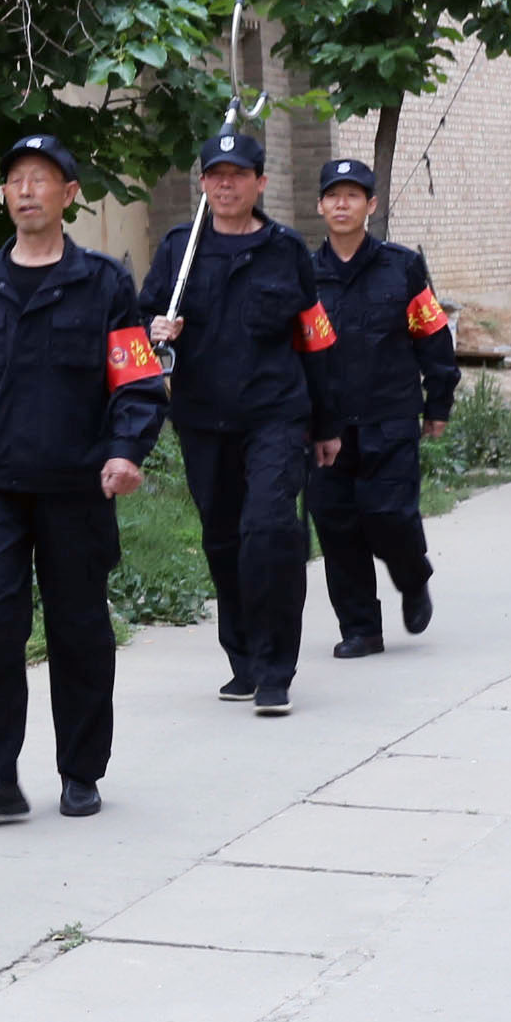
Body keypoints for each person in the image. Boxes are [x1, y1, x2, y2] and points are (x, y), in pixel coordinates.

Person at [0, 134, 168, 823]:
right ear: (5, 196)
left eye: (42, 179)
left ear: (68, 195)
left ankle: (80, 770)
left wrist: (127, 449)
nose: (26, 190)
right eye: (15, 180)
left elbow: (136, 377)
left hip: (76, 486)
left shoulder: (103, 284)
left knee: (79, 629)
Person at [141, 130, 342, 716]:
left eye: (238, 174)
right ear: (202, 183)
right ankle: (244, 659)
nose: (225, 183)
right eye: (215, 174)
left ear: (260, 182)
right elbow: (140, 322)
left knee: (271, 531)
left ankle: (276, 669)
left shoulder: (285, 250)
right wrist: (159, 331)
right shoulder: (179, 251)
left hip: (276, 415)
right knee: (223, 537)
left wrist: (326, 424)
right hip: (204, 419)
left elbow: (314, 338)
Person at [307, 158, 461, 657]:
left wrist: (439, 399)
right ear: (321, 206)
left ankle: (413, 577)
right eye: (334, 195)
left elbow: (432, 334)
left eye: (354, 195)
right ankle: (360, 629)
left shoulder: (402, 267)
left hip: (389, 418)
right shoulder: (304, 276)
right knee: (336, 525)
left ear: (370, 205)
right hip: (326, 426)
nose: (343, 204)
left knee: (389, 515)